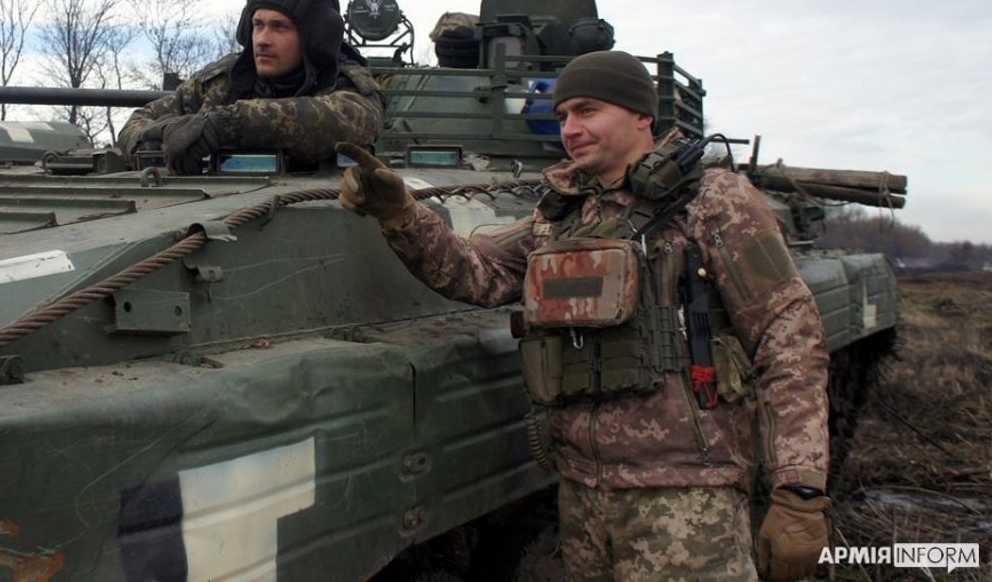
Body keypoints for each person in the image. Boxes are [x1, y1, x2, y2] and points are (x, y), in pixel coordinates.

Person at [338, 50, 831, 581]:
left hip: (686, 496)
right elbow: (478, 273)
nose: (570, 129)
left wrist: (799, 488)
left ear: (642, 115)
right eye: (563, 115)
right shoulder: (564, 213)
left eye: (588, 110)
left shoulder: (713, 201)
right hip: (581, 493)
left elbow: (787, 333)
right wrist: (401, 213)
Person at [117, 0, 385, 174]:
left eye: (279, 27)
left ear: (313, 38)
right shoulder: (225, 81)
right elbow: (142, 118)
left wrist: (224, 126)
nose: (263, 39)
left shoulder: (345, 83)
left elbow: (347, 121)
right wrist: (156, 139)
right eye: (258, 25)